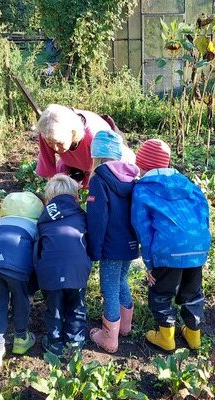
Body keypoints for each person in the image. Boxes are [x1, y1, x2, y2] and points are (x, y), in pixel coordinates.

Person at [131, 139, 211, 352]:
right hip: (197, 246)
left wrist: (148, 261)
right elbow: (204, 212)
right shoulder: (187, 184)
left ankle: (166, 337)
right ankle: (194, 336)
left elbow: (143, 228)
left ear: (142, 165)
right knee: (192, 291)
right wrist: (202, 244)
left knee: (161, 291)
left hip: (168, 249)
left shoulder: (142, 189)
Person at [86, 130, 140, 354]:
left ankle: (109, 337)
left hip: (110, 244)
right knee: (121, 281)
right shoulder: (133, 179)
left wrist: (94, 248)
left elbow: (98, 218)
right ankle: (125, 326)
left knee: (108, 287)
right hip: (129, 243)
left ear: (96, 156)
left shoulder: (99, 180)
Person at [0, 192, 44, 367]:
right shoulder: (34, 226)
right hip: (16, 265)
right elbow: (37, 255)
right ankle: (21, 338)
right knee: (20, 299)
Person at [36, 174, 92, 356]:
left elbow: (38, 246)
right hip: (77, 269)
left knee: (54, 308)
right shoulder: (82, 216)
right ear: (75, 196)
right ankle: (74, 343)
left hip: (49, 271)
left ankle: (54, 343)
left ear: (49, 197)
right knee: (76, 306)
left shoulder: (43, 218)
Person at [35, 104, 136, 188]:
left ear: (72, 133)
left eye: (59, 143)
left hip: (107, 155)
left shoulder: (94, 137)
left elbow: (105, 174)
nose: (55, 148)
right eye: (51, 144)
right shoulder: (48, 131)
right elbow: (47, 166)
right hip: (77, 160)